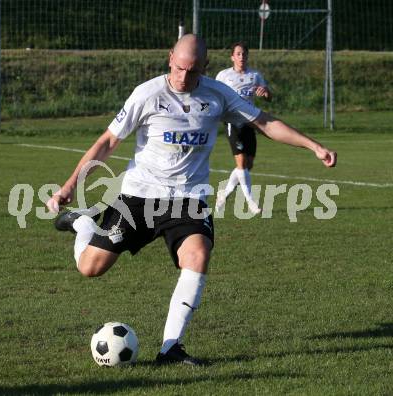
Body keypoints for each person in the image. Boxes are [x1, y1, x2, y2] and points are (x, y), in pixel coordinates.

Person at [46, 34, 337, 366]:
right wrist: (70, 184)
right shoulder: (148, 94)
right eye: (180, 68)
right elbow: (108, 141)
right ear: (170, 57)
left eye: (193, 71)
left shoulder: (217, 94)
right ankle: (82, 222)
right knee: (90, 268)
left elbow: (265, 122)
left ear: (206, 67)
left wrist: (313, 146)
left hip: (189, 198)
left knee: (198, 255)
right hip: (140, 195)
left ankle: (171, 347)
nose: (184, 78)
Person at [215, 42, 272, 214]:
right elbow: (214, 96)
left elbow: (269, 96)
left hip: (250, 122)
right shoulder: (224, 76)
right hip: (233, 122)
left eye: (244, 54)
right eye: (238, 54)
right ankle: (251, 202)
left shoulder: (255, 75)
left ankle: (223, 194)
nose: (241, 57)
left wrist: (265, 93)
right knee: (240, 162)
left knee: (248, 165)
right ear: (232, 57)